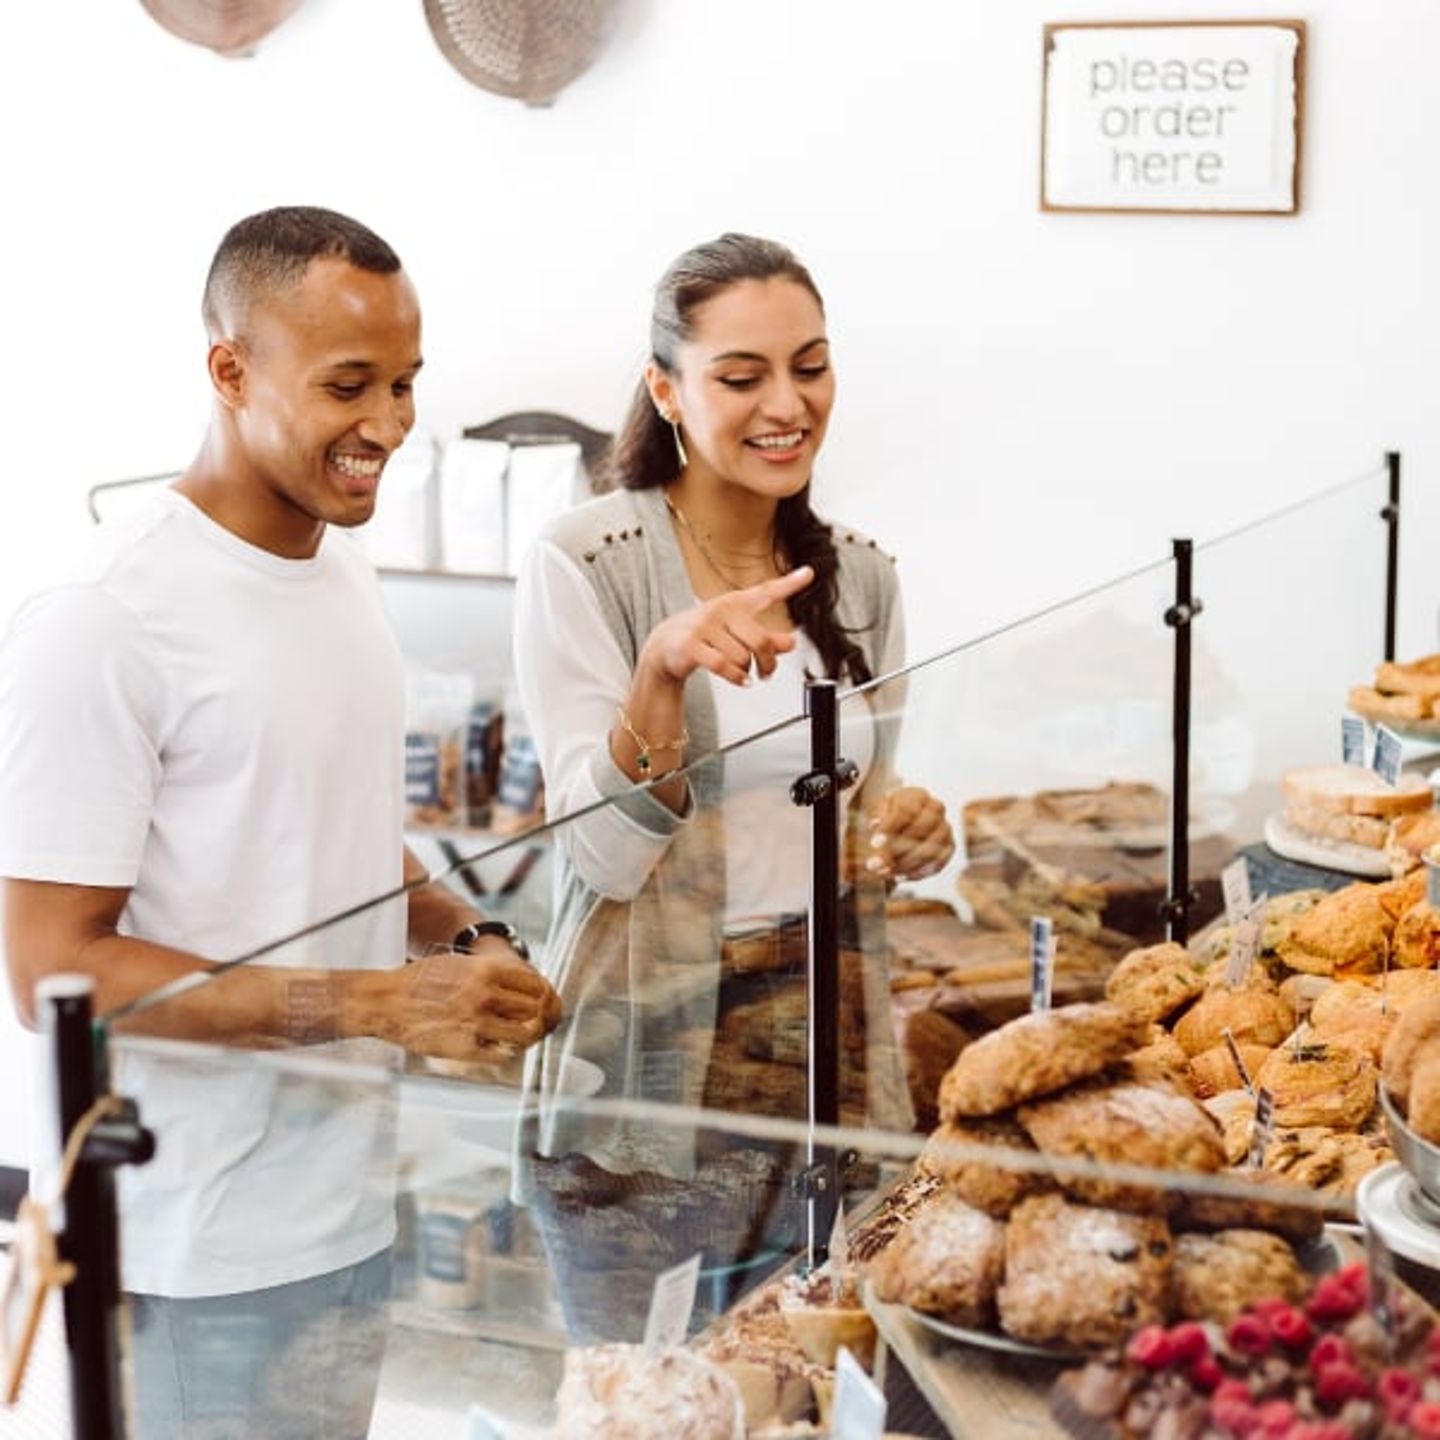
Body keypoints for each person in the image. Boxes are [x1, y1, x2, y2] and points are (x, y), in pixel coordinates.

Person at [0, 206, 560, 1437]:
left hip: (349, 1207)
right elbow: (53, 970)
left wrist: (466, 933)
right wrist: (373, 1006)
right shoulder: (102, 618)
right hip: (189, 1248)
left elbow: (335, 828)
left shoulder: (340, 568)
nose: (389, 427)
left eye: (407, 385)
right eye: (349, 385)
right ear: (229, 369)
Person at [512, 232, 954, 1337]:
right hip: (647, 1075)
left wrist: (906, 827)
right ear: (666, 389)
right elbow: (601, 856)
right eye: (740, 375)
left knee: (805, 1387)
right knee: (642, 1402)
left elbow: (858, 829)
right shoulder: (588, 563)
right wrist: (662, 671)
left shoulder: (861, 575)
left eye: (809, 366)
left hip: (821, 1062)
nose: (786, 404)